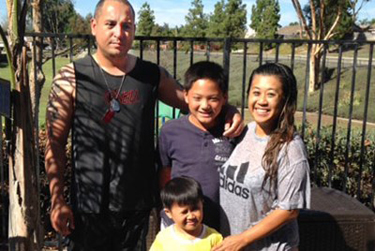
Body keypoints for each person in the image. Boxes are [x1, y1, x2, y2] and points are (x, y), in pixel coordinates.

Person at [44, 0, 243, 250]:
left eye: (127, 25)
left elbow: (194, 101)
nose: (119, 33)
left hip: (137, 207)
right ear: (94, 26)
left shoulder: (151, 75)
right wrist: (57, 199)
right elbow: (55, 144)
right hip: (90, 206)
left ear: (134, 30)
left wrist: (229, 109)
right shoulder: (72, 77)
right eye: (111, 24)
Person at [213, 63, 311, 251]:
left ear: (285, 100)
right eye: (256, 92)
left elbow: (288, 210)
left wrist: (242, 239)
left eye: (271, 94)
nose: (262, 101)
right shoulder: (245, 132)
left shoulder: (291, 148)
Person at [158, 61, 235, 230]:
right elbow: (165, 176)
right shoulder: (170, 131)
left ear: (225, 97)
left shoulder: (232, 131)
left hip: (221, 227)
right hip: (178, 226)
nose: (205, 105)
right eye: (197, 98)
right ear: (185, 95)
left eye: (213, 98)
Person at [150, 177, 223, 250]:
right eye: (184, 212)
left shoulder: (214, 237)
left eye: (195, 209)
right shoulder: (163, 238)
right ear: (168, 213)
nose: (191, 216)